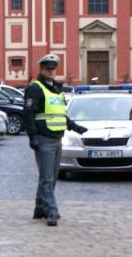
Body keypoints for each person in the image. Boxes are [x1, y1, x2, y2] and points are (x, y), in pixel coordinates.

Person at [23, 53, 87, 227]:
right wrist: (32, 137)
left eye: (53, 69)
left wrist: (75, 127)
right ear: (41, 69)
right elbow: (28, 114)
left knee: (50, 177)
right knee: (47, 178)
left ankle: (40, 208)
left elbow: (60, 115)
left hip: (57, 138)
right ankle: (52, 211)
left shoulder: (56, 90)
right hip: (43, 139)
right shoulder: (35, 88)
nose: (51, 71)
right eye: (47, 69)